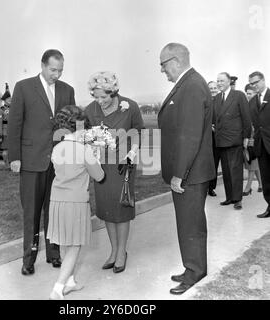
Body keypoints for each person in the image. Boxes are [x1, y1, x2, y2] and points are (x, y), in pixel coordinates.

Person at [8, 49, 76, 275]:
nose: (56, 75)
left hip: (58, 163)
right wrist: (15, 157)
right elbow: (15, 124)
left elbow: (71, 127)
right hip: (30, 161)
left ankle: (54, 254)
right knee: (32, 213)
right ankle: (28, 260)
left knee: (54, 211)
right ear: (43, 65)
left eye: (60, 70)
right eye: (53, 70)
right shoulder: (23, 87)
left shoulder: (68, 90)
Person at [158, 43, 215, 295]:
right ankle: (192, 266)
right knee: (188, 223)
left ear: (175, 60)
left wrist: (180, 173)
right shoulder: (189, 83)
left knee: (190, 224)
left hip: (190, 173)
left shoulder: (191, 86)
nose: (162, 70)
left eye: (163, 64)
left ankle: (194, 271)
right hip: (192, 171)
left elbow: (189, 135)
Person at [85, 71, 144, 274]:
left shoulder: (130, 106)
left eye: (104, 96)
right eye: (96, 96)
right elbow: (87, 137)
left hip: (123, 165)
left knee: (121, 208)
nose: (100, 101)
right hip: (101, 167)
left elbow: (137, 133)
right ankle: (113, 251)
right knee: (106, 210)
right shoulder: (90, 110)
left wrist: (132, 153)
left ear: (114, 92)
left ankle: (121, 252)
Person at [47, 105, 105, 300]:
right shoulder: (83, 150)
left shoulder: (57, 148)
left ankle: (69, 282)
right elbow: (99, 176)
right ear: (79, 127)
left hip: (57, 201)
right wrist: (95, 156)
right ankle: (58, 288)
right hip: (76, 202)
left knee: (64, 242)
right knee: (75, 246)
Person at [215, 72, 251, 210]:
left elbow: (246, 117)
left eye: (222, 80)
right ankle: (229, 197)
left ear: (229, 81)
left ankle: (237, 199)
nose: (219, 83)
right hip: (221, 141)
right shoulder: (217, 98)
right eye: (217, 81)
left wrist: (246, 137)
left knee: (235, 170)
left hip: (235, 140)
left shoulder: (239, 95)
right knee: (226, 171)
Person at [248, 71, 270, 218]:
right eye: (252, 84)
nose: (254, 86)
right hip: (261, 146)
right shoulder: (251, 102)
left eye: (256, 82)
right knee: (266, 178)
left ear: (263, 80)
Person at [243, 83, 262, 196]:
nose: (248, 95)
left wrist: (254, 138)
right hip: (248, 137)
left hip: (256, 138)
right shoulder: (247, 104)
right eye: (247, 93)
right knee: (253, 163)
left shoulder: (259, 104)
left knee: (252, 163)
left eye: (250, 93)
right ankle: (260, 184)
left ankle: (248, 187)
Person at [208, 81, 221, 197]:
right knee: (210, 164)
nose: (213, 90)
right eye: (210, 88)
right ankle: (208, 187)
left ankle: (212, 187)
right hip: (208, 138)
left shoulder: (222, 101)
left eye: (214, 88)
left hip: (221, 136)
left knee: (217, 163)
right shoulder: (205, 102)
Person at [0, 83, 11, 169]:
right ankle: (6, 165)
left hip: (12, 132)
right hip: (4, 132)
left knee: (11, 150)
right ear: (5, 100)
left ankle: (11, 164)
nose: (10, 100)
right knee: (6, 150)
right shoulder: (0, 110)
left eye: (10, 98)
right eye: (8, 98)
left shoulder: (13, 108)